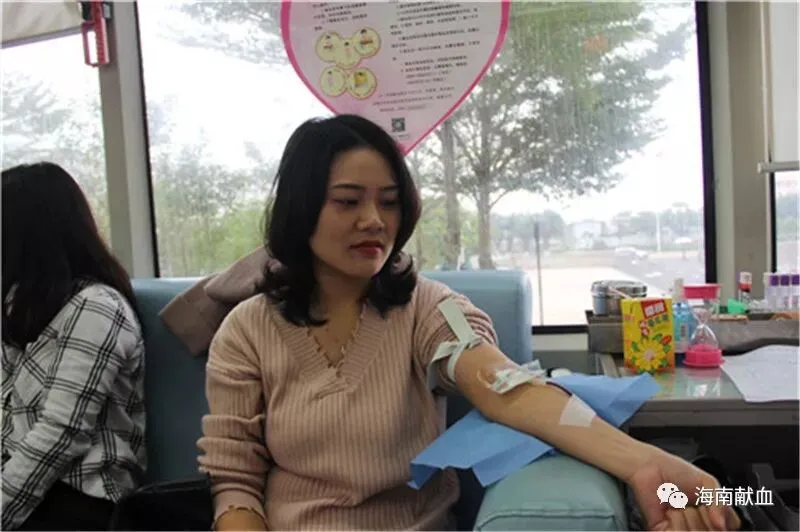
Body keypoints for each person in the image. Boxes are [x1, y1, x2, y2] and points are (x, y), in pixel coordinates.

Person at [197, 115, 741, 532]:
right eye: (347, 202)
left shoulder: (429, 309)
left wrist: (645, 465)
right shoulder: (247, 331)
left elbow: (509, 390)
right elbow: (236, 484)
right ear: (301, 209)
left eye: (389, 202)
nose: (374, 221)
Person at [1, 162, 146, 530]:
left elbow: (61, 434)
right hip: (26, 496)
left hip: (80, 502)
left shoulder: (96, 307)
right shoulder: (21, 309)